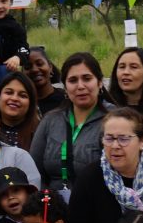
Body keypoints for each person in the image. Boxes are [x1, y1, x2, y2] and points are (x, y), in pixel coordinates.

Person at [32, 52, 115, 191]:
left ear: (100, 82)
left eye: (87, 78)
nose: (80, 86)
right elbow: (34, 172)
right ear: (65, 86)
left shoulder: (116, 120)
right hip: (54, 201)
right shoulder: (51, 120)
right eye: (73, 80)